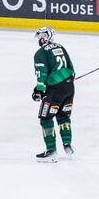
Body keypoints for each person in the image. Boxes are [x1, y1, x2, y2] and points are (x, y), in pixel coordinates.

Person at [32, 26, 75, 162]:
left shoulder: (40, 53)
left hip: (55, 89)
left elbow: (42, 73)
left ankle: (51, 151)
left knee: (45, 118)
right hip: (69, 87)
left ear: (45, 37)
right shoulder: (60, 47)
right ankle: (67, 146)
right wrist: (66, 80)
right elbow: (71, 68)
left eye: (41, 37)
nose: (39, 40)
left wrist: (39, 89)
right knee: (63, 116)